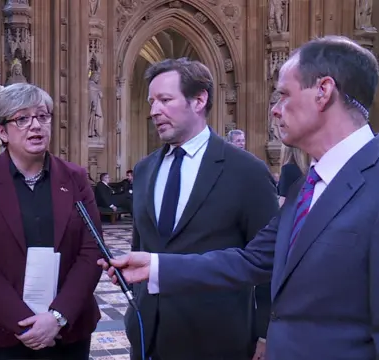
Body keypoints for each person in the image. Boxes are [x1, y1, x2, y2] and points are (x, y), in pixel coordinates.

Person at [99, 36, 379, 360]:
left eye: (283, 95)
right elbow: (252, 260)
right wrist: (155, 266)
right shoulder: (309, 185)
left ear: (323, 91)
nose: (275, 111)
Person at [119, 58, 278, 360]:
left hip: (216, 337)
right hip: (148, 334)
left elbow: (268, 261)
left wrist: (264, 332)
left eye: (165, 100)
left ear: (199, 99)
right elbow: (143, 245)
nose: (154, 111)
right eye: (152, 101)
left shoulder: (247, 172)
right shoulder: (143, 169)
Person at [0, 83, 103, 359]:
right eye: (22, 119)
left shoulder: (75, 178)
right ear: (1, 131)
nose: (36, 126)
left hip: (66, 331)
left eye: (42, 116)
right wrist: (23, 322)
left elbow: (91, 250)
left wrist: (57, 316)